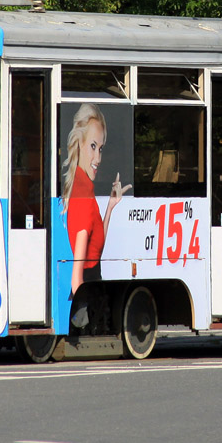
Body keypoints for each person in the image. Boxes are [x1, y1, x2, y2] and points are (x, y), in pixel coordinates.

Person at [61, 103, 131, 300]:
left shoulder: (84, 189)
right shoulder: (83, 195)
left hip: (91, 286)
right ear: (79, 144)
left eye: (100, 148)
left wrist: (110, 208)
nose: (98, 158)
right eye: (93, 146)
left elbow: (96, 249)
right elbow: (77, 278)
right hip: (87, 290)